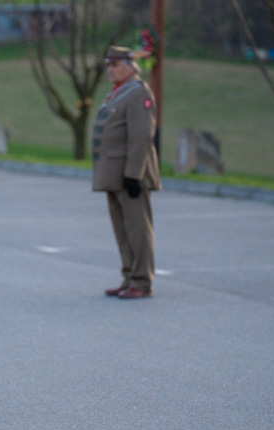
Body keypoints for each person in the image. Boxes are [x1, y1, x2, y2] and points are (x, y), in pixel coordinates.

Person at [91, 46, 161, 299]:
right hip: (114, 175)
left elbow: (141, 136)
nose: (111, 70)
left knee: (137, 229)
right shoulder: (118, 94)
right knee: (122, 230)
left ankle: (142, 281)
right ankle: (129, 276)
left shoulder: (138, 93)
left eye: (116, 65)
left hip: (130, 175)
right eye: (109, 65)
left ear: (132, 67)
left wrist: (134, 174)